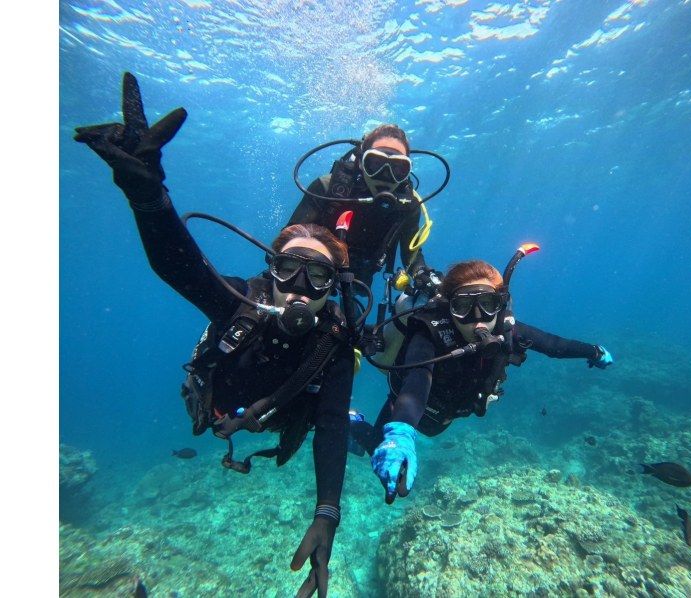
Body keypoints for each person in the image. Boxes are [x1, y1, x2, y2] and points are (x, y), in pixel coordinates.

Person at [74, 72, 353, 598]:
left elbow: (332, 422)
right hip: (218, 406)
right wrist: (148, 197)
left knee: (348, 421)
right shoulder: (239, 300)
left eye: (317, 277)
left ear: (332, 288)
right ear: (270, 269)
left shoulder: (335, 340)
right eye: (289, 268)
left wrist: (328, 514)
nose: (300, 287)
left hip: (277, 421)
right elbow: (178, 267)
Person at [350, 254, 614, 503]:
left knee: (414, 442)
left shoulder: (507, 329)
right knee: (379, 452)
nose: (478, 320)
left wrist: (593, 351)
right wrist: (401, 431)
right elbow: (418, 380)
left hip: (446, 416)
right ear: (449, 308)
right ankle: (353, 421)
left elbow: (555, 346)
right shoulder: (429, 331)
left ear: (500, 305)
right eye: (464, 306)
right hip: (405, 409)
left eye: (487, 305)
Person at [287, 124, 433, 291]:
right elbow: (290, 238)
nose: (386, 175)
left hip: (363, 276)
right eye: (376, 163)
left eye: (398, 168)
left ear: (407, 172)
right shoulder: (327, 188)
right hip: (314, 272)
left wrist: (423, 274)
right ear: (362, 162)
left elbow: (411, 253)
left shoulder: (408, 205)